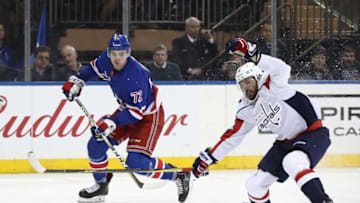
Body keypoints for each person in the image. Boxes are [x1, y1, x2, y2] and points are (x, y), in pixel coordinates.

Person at [192, 37, 333, 203]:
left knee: (292, 161)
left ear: (257, 77)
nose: (245, 87)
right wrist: (209, 158)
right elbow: (233, 136)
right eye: (241, 84)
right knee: (254, 185)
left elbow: (281, 67)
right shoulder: (245, 108)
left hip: (312, 133)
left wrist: (250, 52)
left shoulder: (274, 85)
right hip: (284, 143)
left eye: (248, 81)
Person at [61, 33, 191, 203]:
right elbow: (91, 70)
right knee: (96, 145)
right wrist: (78, 81)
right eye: (114, 53)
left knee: (137, 163)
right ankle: (101, 186)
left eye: (121, 54)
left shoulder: (137, 75)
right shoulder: (106, 60)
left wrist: (111, 123)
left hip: (148, 116)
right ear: (109, 52)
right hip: (127, 110)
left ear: (128, 53)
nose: (117, 58)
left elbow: (136, 114)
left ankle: (178, 175)